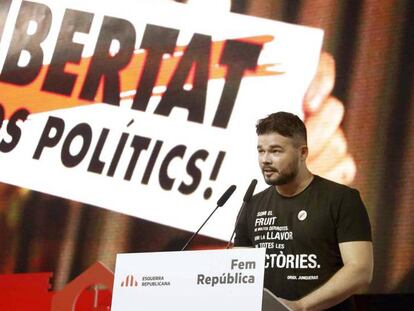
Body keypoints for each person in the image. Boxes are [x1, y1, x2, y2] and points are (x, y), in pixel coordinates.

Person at [234, 112, 373, 311]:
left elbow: (360, 270)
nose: (265, 160)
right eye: (260, 151)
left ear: (303, 153)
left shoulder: (342, 199)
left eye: (275, 151)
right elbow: (240, 274)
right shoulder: (251, 205)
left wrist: (300, 306)